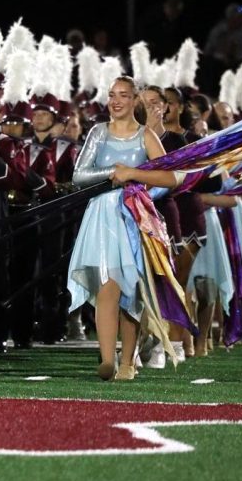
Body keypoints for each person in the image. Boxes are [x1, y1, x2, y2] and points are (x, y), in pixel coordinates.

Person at [67, 76, 182, 380]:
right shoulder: (97, 133)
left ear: (135, 101)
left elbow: (169, 178)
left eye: (123, 95)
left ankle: (128, 360)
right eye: (111, 95)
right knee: (107, 284)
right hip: (102, 215)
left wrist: (136, 183)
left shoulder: (146, 136)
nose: (116, 101)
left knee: (130, 286)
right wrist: (112, 174)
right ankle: (107, 359)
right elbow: (79, 175)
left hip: (134, 216)